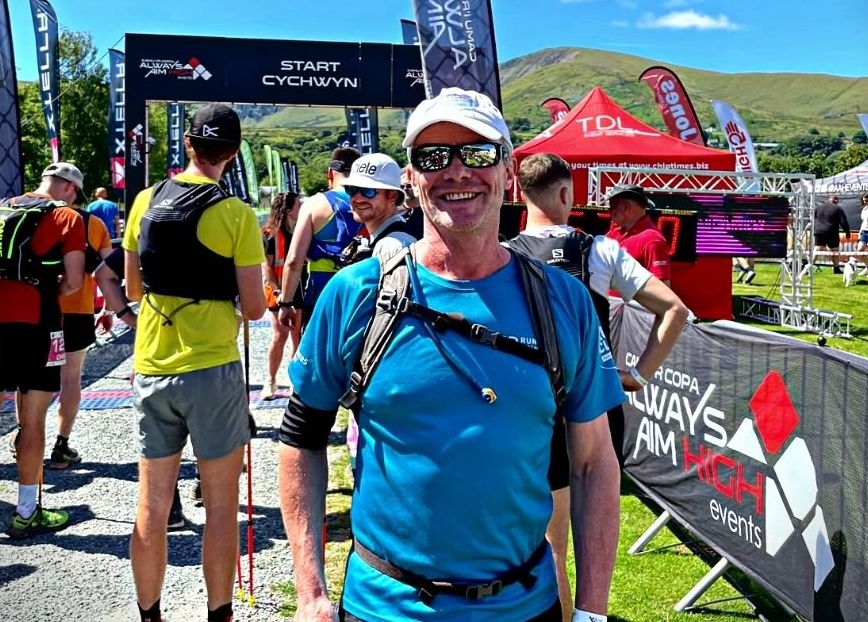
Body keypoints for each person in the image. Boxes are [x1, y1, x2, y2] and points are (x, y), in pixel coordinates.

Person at [280, 89, 624, 622]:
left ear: (509, 171)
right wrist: (310, 592)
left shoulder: (563, 300)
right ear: (412, 180)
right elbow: (300, 438)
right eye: (434, 157)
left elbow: (594, 461)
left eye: (479, 153)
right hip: (384, 608)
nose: (457, 172)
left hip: (524, 607)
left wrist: (593, 610)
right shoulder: (355, 293)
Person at [509, 152, 689, 622]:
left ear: (518, 195)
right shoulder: (602, 250)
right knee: (585, 540)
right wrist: (640, 373)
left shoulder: (504, 256)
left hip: (530, 410)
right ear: (567, 194)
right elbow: (675, 311)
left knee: (548, 540)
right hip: (594, 408)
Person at [123, 104, 266, 622]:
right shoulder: (235, 215)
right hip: (212, 368)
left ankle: (150, 614)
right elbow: (254, 307)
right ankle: (218, 614)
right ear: (232, 153)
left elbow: (134, 287)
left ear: (188, 144)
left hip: (153, 363)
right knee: (222, 505)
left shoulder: (144, 200)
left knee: (152, 503)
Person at [0, 161, 86, 537]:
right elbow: (73, 279)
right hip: (41, 324)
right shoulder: (68, 218)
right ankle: (25, 512)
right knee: (32, 420)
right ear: (68, 187)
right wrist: (46, 290)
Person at [52, 193, 114, 468]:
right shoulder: (94, 223)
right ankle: (61, 444)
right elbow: (109, 270)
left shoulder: (33, 216)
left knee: (29, 380)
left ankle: (23, 438)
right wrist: (110, 310)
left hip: (38, 309)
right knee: (70, 378)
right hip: (78, 309)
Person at [278, 146, 361, 331]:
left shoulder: (315, 204)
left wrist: (285, 303)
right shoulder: (372, 201)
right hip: (364, 287)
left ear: (330, 173)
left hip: (323, 288)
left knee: (320, 355)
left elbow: (294, 261)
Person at [339, 152, 417, 264]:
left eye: (368, 190)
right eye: (352, 189)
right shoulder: (374, 240)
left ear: (392, 196)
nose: (358, 198)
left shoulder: (394, 246)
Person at [261, 192, 302, 398]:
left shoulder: (302, 231)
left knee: (297, 335)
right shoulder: (269, 234)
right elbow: (266, 267)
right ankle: (270, 381)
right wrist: (277, 291)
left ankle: (294, 381)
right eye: (298, 204)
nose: (302, 206)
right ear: (288, 210)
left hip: (298, 289)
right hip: (276, 290)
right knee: (279, 336)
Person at [605, 184, 671, 286]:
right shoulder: (613, 233)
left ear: (625, 207)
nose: (609, 212)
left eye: (612, 207)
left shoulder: (652, 240)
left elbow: (663, 288)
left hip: (630, 301)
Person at [812, 194, 851, 274]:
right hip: (831, 231)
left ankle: (809, 266)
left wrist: (814, 229)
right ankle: (836, 268)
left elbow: (813, 219)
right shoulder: (838, 208)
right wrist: (847, 232)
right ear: (836, 201)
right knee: (835, 250)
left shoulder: (818, 207)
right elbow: (843, 222)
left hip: (819, 231)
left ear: (829, 200)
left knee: (817, 249)